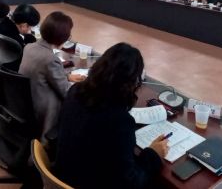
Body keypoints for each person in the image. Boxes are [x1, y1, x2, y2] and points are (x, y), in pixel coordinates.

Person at [54, 43, 166, 189]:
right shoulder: (120, 121)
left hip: (63, 175)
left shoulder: (75, 91)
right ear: (130, 84)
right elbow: (131, 182)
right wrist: (153, 154)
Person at [18, 12, 85, 144]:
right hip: (45, 109)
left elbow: (41, 72)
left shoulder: (29, 47)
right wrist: (86, 85)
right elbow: (66, 92)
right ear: (63, 37)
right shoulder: (50, 59)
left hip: (26, 101)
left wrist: (66, 76)